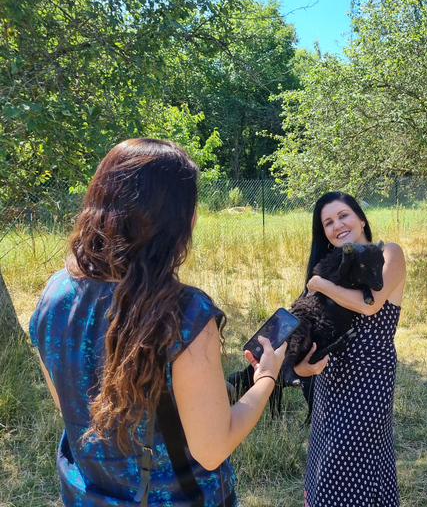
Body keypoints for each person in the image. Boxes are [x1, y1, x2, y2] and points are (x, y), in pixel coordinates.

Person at [28, 138, 323, 506]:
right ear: (176, 222)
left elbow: (70, 408)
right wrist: (266, 376)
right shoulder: (184, 313)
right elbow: (212, 448)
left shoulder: (53, 295)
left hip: (86, 496)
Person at [302, 191, 407, 507]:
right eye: (328, 223)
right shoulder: (333, 267)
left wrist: (319, 285)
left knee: (349, 459)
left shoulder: (388, 253)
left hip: (369, 378)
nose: (337, 225)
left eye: (343, 215)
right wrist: (304, 364)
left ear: (361, 218)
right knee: (325, 460)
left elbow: (370, 304)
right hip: (330, 376)